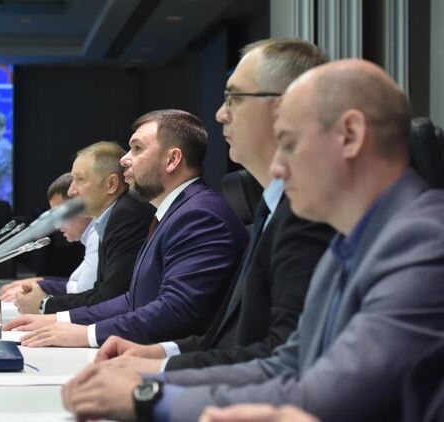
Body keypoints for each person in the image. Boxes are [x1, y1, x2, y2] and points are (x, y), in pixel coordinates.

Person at [61, 59, 444, 421]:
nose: (277, 167)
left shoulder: (423, 242)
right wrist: (148, 380)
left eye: (289, 144)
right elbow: (285, 365)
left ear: (350, 135)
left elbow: (332, 396)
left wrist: (148, 397)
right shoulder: (348, 245)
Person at [92, 39, 334, 374]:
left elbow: (282, 357)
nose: (221, 113)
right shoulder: (269, 210)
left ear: (286, 107)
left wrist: (153, 382)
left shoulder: (308, 217)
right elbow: (231, 338)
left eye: (234, 98)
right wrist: (160, 355)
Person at [5, 110, 248, 347]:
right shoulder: (174, 213)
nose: (124, 160)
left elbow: (177, 310)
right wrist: (60, 319)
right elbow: (135, 299)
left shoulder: (198, 215)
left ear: (172, 160)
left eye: (137, 148)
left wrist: (86, 334)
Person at [10, 143, 154, 315]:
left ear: (111, 184)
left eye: (80, 179)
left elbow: (111, 299)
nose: (71, 191)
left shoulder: (126, 214)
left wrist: (44, 305)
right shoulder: (112, 215)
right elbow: (101, 292)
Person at [0, 172, 98, 302]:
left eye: (60, 214)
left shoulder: (98, 236)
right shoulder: (92, 236)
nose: (56, 224)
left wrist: (42, 290)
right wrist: (40, 281)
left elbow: (84, 294)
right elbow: (77, 284)